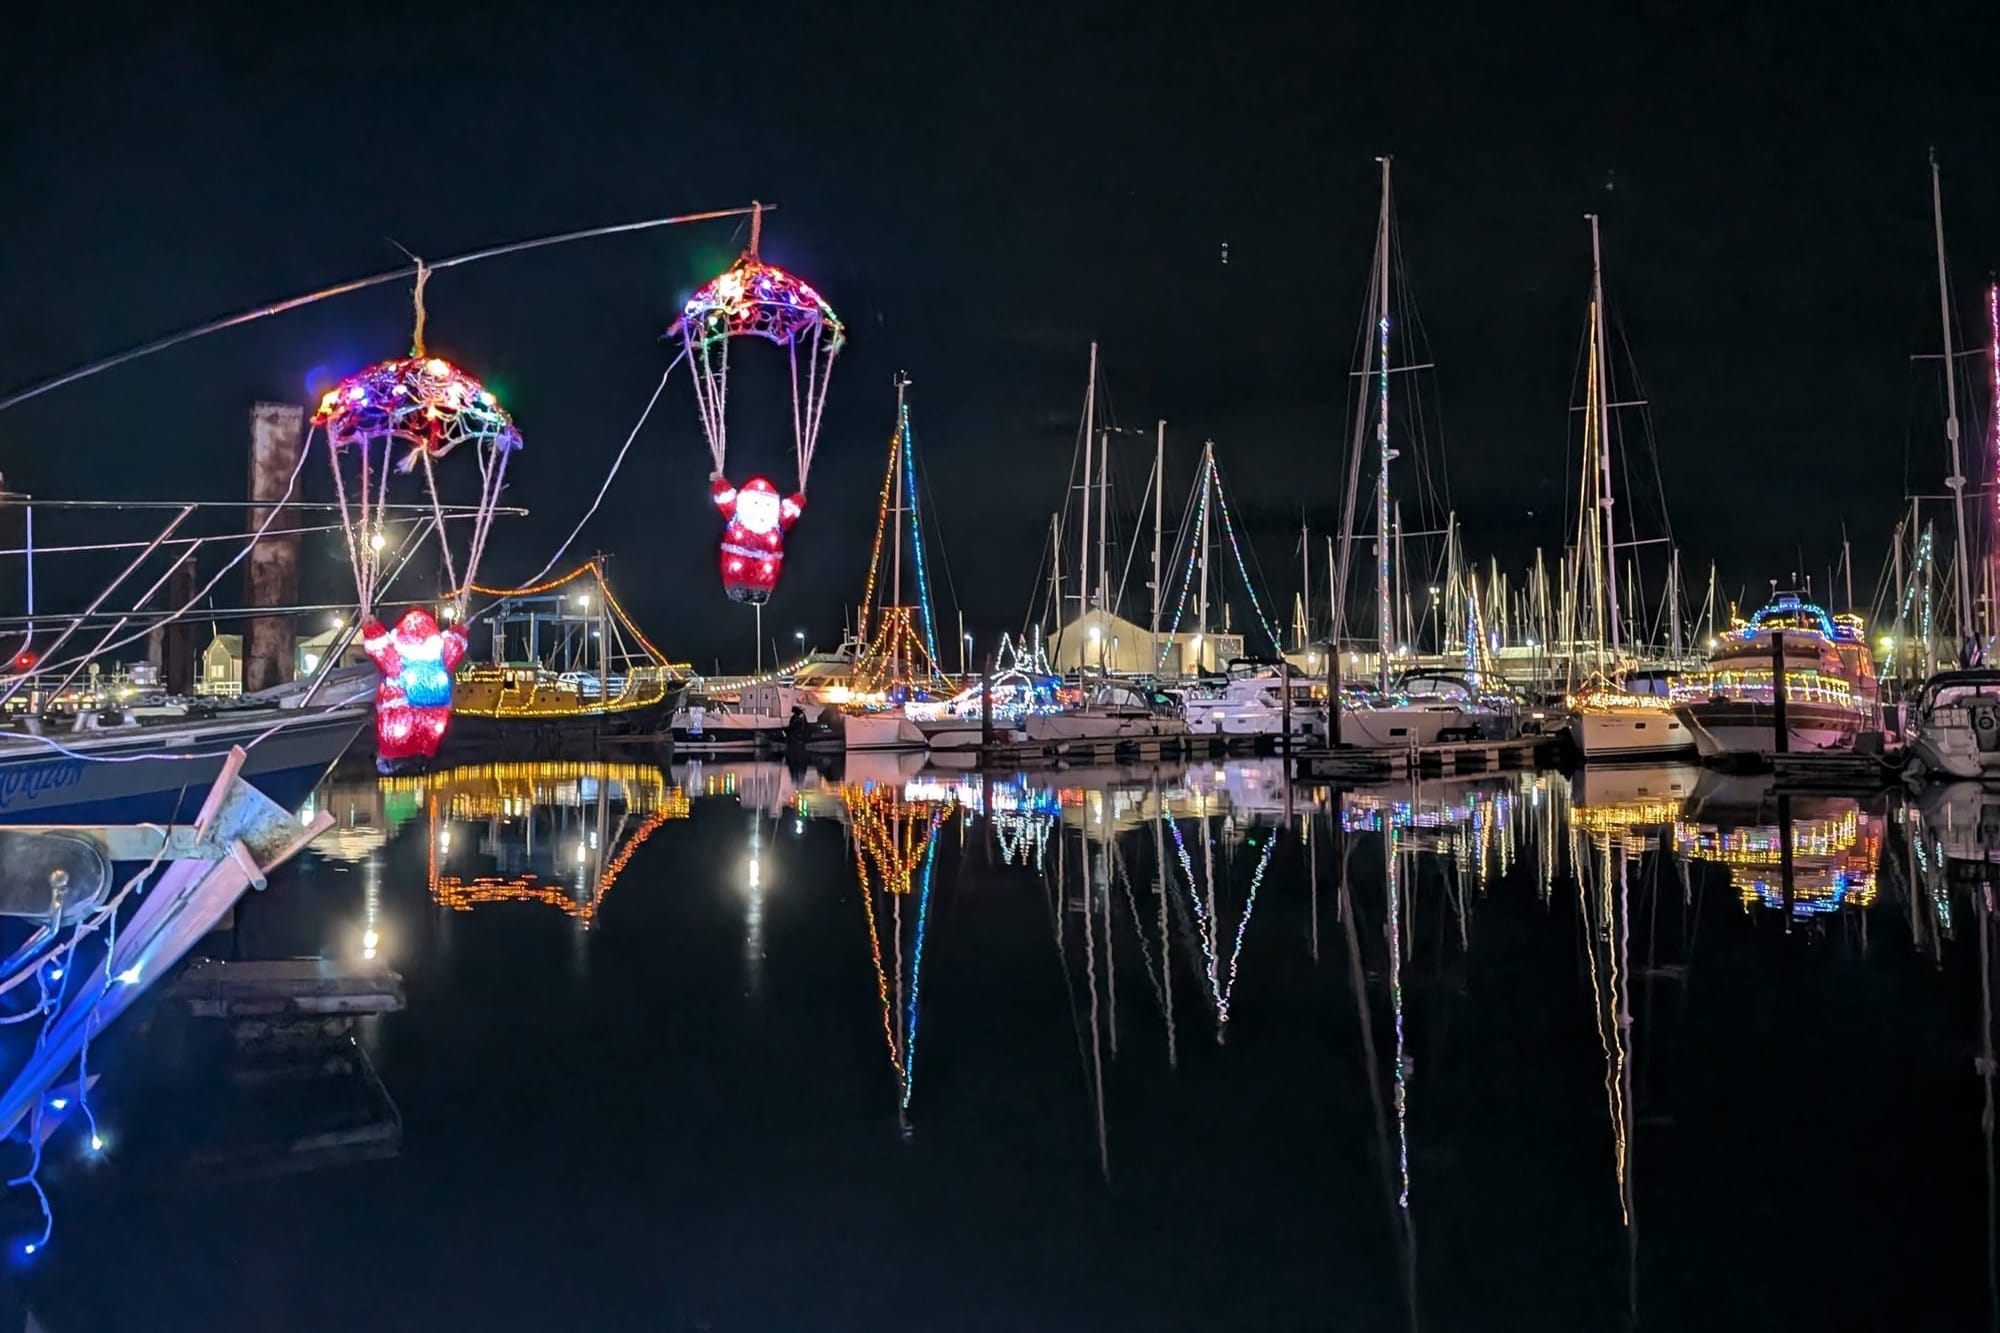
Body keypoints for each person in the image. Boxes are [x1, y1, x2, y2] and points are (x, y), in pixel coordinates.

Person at [362, 607, 467, 774]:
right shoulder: (439, 656)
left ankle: (399, 757)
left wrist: (371, 629)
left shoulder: (400, 660)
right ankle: (418, 756)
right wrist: (459, 630)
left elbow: (381, 651)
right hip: (433, 717)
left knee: (398, 737)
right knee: (424, 737)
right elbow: (454, 647)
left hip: (401, 714)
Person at [711, 473, 803, 604]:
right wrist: (720, 483)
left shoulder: (774, 523)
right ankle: (740, 587)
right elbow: (725, 499)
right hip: (740, 571)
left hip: (764, 574)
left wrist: (798, 500)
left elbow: (788, 512)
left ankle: (759, 590)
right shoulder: (739, 517)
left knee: (761, 579)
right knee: (742, 579)